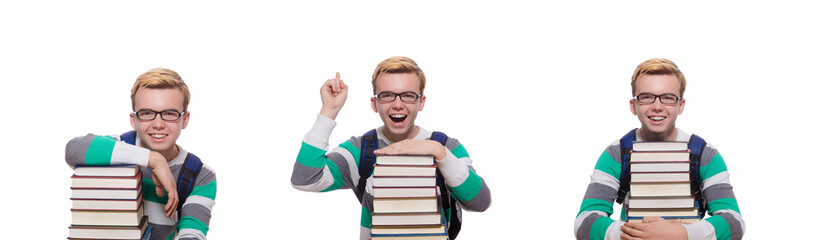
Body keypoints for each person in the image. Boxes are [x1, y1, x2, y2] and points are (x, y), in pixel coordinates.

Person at [291, 56, 491, 239]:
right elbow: (304, 179)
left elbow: (480, 202)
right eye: (387, 95)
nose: (397, 104)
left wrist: (441, 154)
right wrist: (329, 111)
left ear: (421, 102)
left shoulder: (447, 147)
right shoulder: (360, 150)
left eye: (408, 95)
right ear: (374, 104)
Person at [574, 58, 745, 240]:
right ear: (634, 105)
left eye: (668, 98)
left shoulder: (704, 154)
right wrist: (635, 234)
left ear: (681, 105)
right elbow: (584, 222)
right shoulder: (616, 154)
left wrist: (682, 234)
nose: (657, 107)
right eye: (646, 97)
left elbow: (734, 222)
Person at [65, 68, 217, 239]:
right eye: (147, 113)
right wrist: (154, 159)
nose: (158, 124)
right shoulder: (117, 148)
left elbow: (192, 233)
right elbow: (73, 149)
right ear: (133, 120)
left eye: (169, 114)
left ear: (185, 119)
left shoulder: (200, 176)